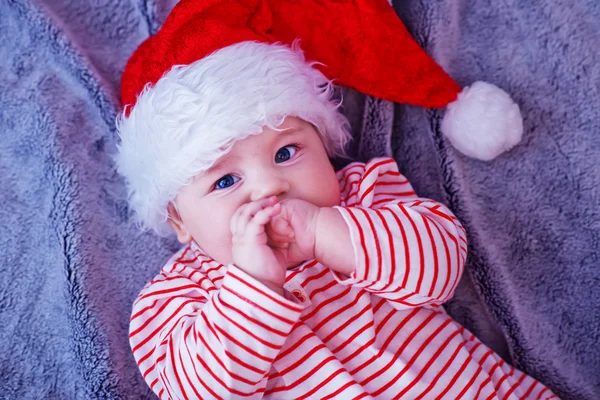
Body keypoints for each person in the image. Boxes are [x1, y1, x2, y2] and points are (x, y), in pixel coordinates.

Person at [116, 1, 557, 398]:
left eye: (286, 153)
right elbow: (202, 390)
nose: (269, 187)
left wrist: (325, 232)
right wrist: (254, 287)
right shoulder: (172, 299)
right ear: (178, 220)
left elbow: (441, 263)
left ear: (324, 145)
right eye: (226, 181)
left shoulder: (363, 195)